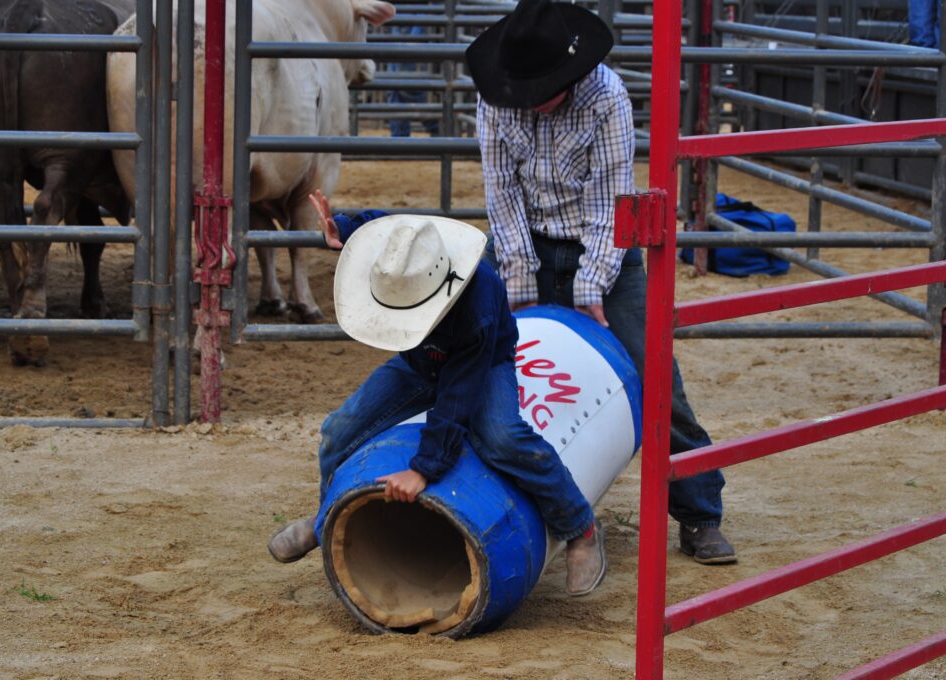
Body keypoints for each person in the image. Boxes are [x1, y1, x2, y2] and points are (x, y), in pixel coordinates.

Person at [465, 0, 736, 564]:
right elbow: (502, 196)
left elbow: (611, 202)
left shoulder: (606, 96)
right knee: (473, 360)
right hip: (525, 244)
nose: (530, 99)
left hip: (605, 250)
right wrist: (520, 280)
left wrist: (591, 287)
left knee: (656, 373)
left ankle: (700, 512)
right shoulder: (495, 101)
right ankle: (478, 495)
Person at [268, 190, 610, 596]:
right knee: (338, 430)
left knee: (504, 438)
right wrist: (345, 227)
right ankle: (325, 520)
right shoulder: (414, 250)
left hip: (481, 365)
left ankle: (580, 527)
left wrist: (424, 468)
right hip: (418, 361)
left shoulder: (477, 306)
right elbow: (387, 229)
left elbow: (457, 395)